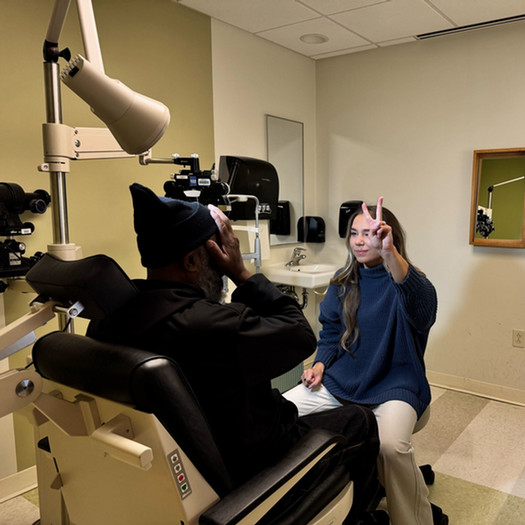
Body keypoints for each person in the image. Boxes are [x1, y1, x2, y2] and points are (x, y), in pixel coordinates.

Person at [88, 183, 380, 521]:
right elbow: (302, 335)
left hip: (185, 462)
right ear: (194, 259)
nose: (222, 262)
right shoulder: (215, 325)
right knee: (360, 419)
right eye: (218, 251)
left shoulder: (111, 321)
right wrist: (241, 272)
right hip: (256, 463)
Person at [284, 197, 448, 525]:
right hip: (341, 381)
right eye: (354, 233)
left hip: (396, 386)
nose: (360, 241)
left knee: (390, 448)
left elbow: (423, 310)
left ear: (388, 236)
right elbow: (330, 334)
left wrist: (389, 253)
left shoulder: (409, 283)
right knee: (282, 415)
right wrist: (319, 364)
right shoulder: (342, 283)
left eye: (369, 233)